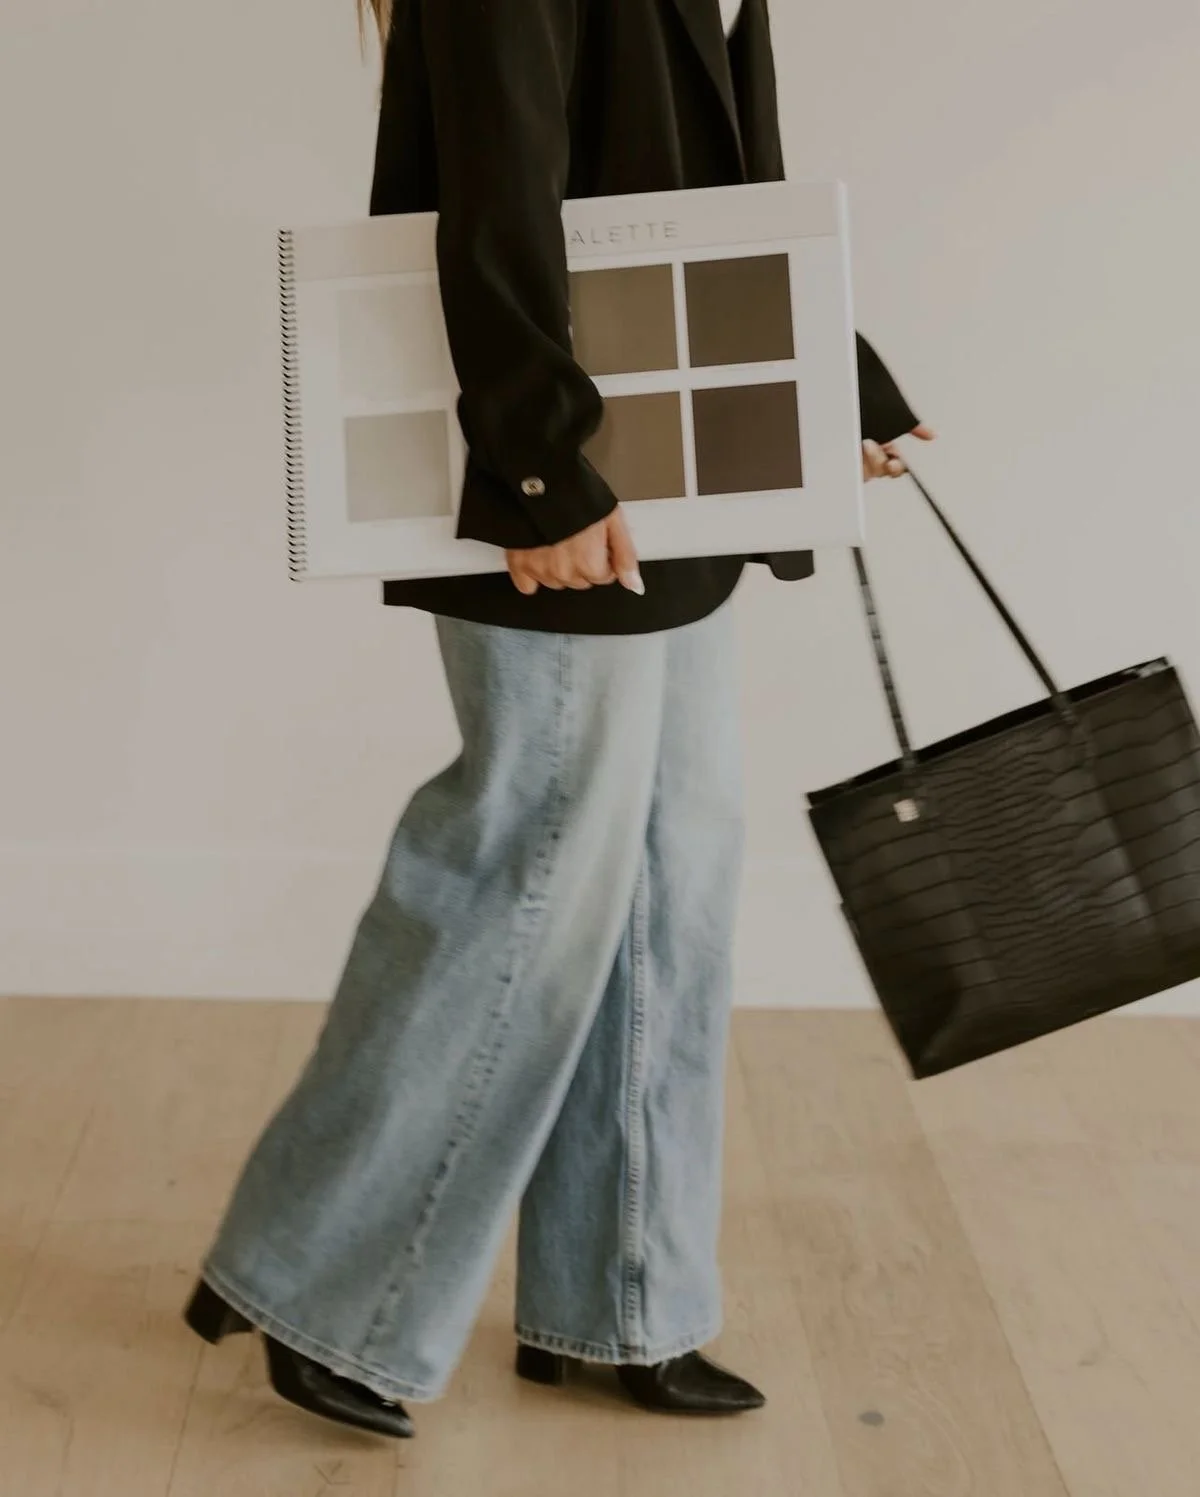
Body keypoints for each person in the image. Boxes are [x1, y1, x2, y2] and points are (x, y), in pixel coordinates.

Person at [182, 0, 934, 1441]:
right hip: (567, 460)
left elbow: (708, 182)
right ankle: (317, 1284)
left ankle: (623, 1297)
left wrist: (827, 377)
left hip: (669, 462)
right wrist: (533, 461)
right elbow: (497, 178)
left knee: (669, 869)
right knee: (529, 859)